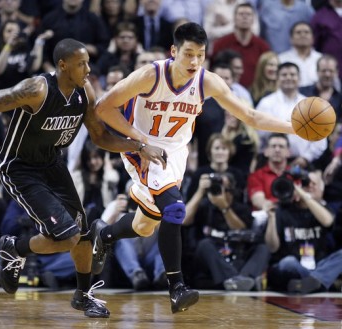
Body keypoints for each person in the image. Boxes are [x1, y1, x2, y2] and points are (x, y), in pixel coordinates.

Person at [91, 22, 295, 314]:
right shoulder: (151, 74)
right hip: (143, 146)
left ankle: (104, 234)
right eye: (188, 54)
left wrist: (294, 128)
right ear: (174, 51)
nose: (195, 61)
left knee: (144, 225)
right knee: (174, 208)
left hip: (175, 152)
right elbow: (103, 107)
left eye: (200, 55)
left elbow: (250, 116)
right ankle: (177, 287)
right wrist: (139, 141)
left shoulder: (207, 81)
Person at [0, 38, 166, 318]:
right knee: (68, 237)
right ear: (63, 65)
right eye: (81, 64)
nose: (88, 69)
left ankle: (84, 296)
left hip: (52, 164)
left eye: (88, 62)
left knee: (83, 234)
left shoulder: (85, 93)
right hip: (20, 167)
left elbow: (100, 137)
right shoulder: (35, 89)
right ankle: (14, 248)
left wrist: (140, 146)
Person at [264, 170, 342, 294]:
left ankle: (312, 281)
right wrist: (271, 219)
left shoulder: (323, 209)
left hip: (318, 266)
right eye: (305, 184)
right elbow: (272, 247)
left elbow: (328, 222)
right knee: (287, 262)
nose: (309, 187)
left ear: (322, 190)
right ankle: (317, 282)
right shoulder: (283, 210)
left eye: (314, 184)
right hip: (294, 266)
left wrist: (305, 195)